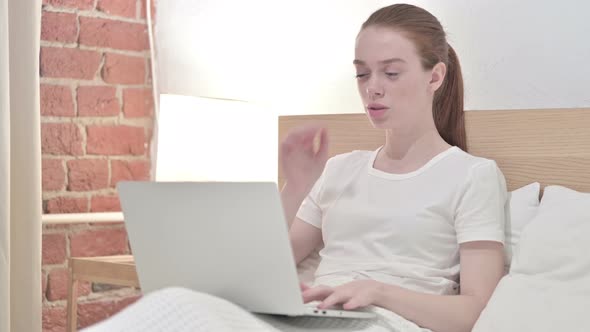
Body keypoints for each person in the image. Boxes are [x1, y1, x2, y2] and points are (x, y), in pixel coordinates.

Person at [279, 4, 507, 332]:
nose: (372, 87)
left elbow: (475, 310)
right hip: (314, 316)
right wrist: (295, 188)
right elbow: (267, 267)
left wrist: (376, 291)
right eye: (362, 73)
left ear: (435, 76)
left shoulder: (472, 175)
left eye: (391, 72)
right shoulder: (337, 168)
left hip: (389, 322)